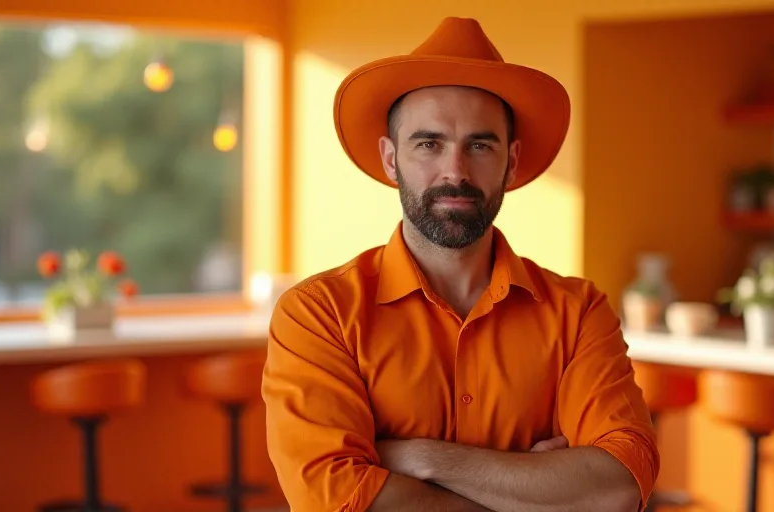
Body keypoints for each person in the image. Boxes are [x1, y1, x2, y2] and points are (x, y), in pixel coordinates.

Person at [262, 16, 659, 512]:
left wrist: (422, 459)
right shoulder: (318, 315)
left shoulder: (578, 312)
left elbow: (619, 484)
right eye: (428, 143)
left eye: (480, 144)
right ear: (390, 159)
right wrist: (535, 491)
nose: (455, 171)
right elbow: (333, 497)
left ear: (511, 162)